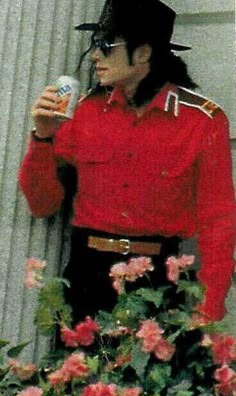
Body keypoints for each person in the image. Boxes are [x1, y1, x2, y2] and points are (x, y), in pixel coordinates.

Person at [19, 0, 236, 328]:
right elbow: (42, 204)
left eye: (106, 45)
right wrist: (43, 137)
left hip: (160, 279)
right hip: (88, 276)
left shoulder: (203, 121)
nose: (95, 55)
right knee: (79, 378)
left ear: (144, 53)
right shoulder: (84, 112)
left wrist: (209, 308)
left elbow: (218, 222)